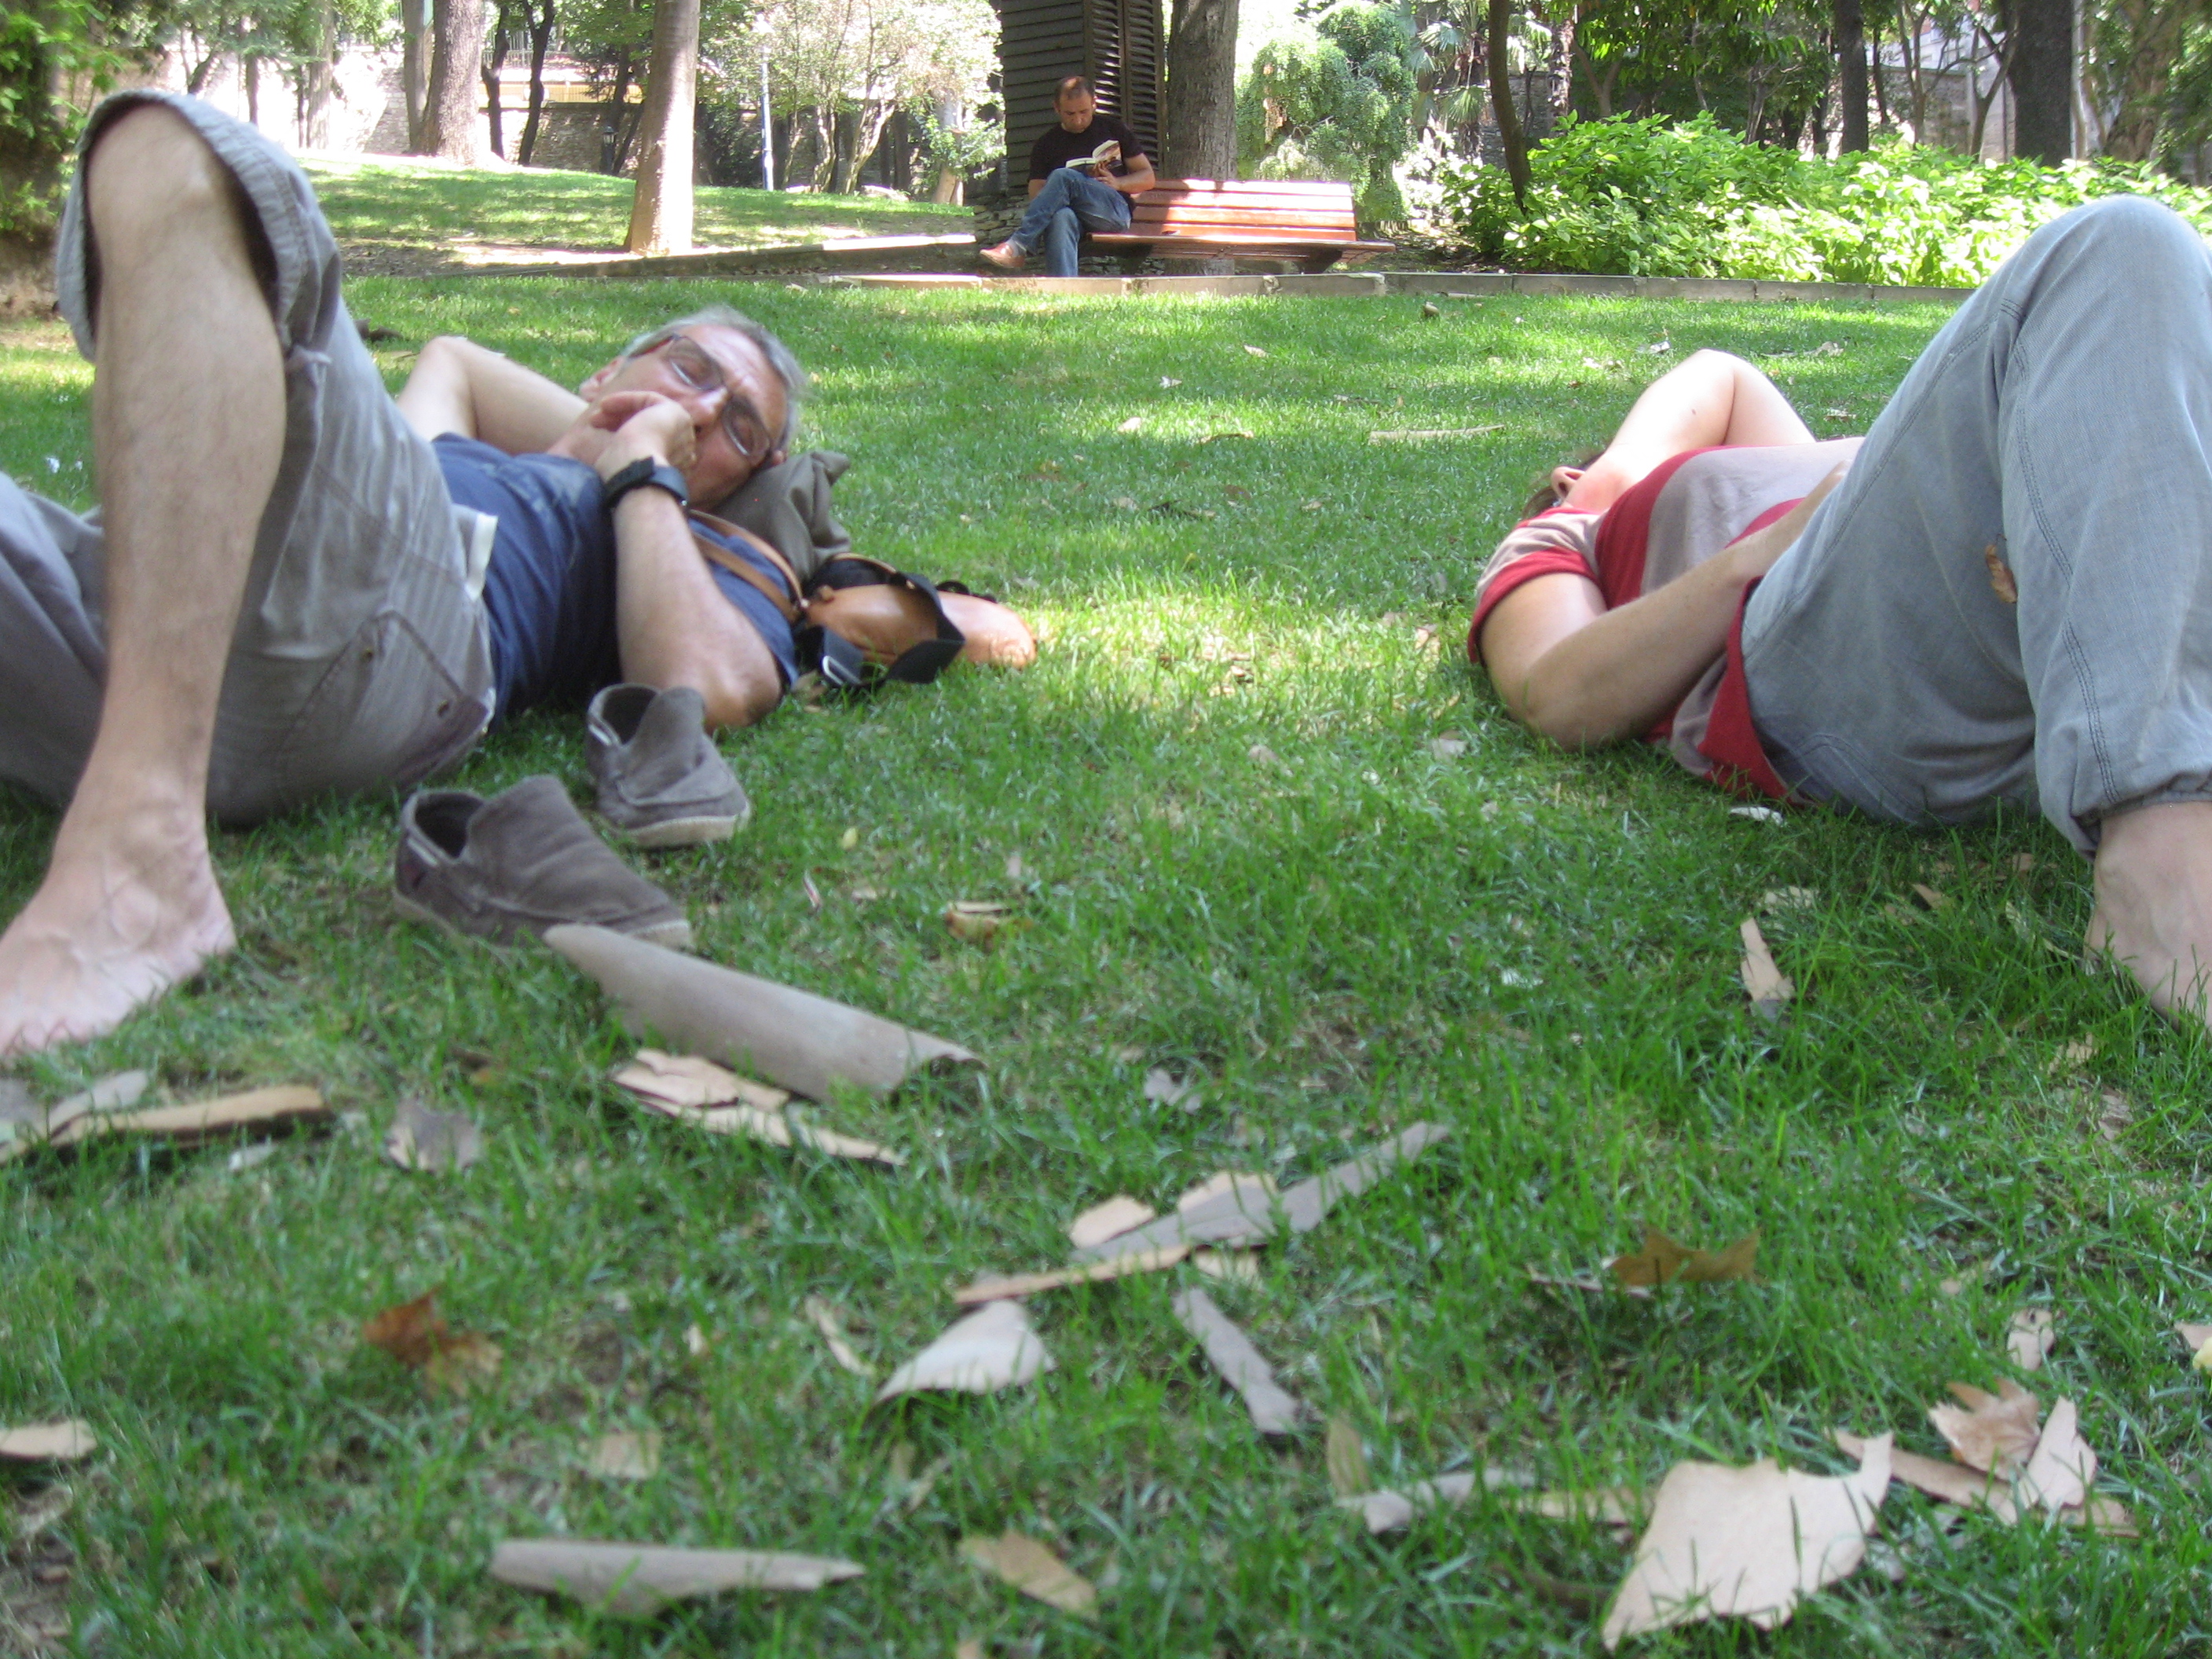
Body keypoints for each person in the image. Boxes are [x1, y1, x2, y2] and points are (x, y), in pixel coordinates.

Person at [0, 90, 1007, 1057]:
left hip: (402, 631)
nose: (701, 414)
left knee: (170, 150)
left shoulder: (688, 546)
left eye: (737, 429)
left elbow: (709, 685)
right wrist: (590, 433)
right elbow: (448, 361)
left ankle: (141, 855)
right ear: (606, 372)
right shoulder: (470, 453)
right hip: (147, 629)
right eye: (689, 370)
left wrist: (647, 470)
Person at [1470, 193, 2212, 1031]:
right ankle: (2161, 879)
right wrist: (1702, 526)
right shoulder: (1564, 533)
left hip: (2053, 635)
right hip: (1826, 668)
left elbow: (1721, 373)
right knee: (2126, 246)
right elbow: (1553, 695)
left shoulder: (1762, 462)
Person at [978, 76, 1156, 277]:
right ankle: (1064, 289)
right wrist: (1057, 194)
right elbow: (1037, 194)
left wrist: (1118, 183)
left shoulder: (1113, 130)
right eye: (1070, 114)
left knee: (1063, 176)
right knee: (1061, 216)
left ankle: (1019, 245)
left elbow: (1148, 177)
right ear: (1057, 108)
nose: (1078, 120)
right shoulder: (1046, 144)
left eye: (1084, 112)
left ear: (1094, 103)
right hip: (1074, 216)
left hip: (1112, 211)